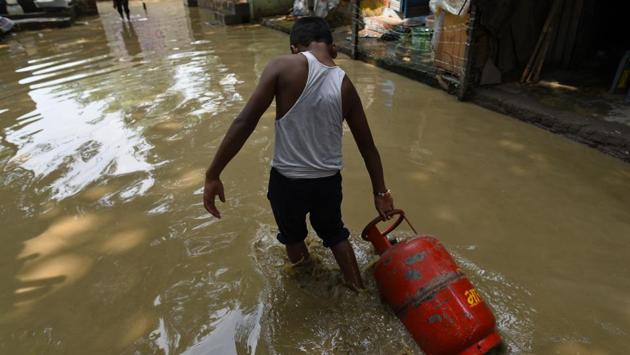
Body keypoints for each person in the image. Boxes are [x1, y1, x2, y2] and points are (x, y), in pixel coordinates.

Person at [203, 17, 394, 290]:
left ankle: (307, 289)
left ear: (295, 48)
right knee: (336, 235)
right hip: (328, 182)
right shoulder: (346, 85)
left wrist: (213, 174)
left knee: (293, 238)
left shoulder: (283, 66)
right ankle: (357, 288)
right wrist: (381, 193)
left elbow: (245, 122)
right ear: (333, 48)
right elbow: (368, 148)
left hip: (287, 181)